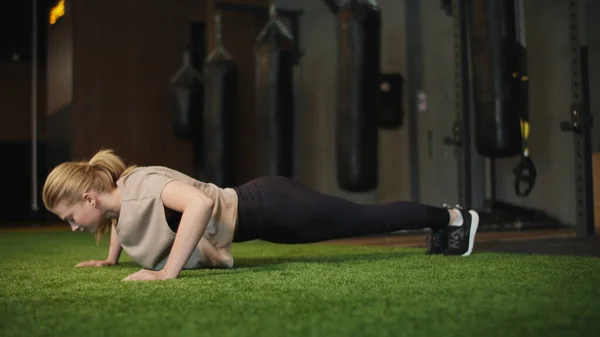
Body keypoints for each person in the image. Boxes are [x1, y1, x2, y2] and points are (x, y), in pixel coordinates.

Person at [42, 149, 480, 282]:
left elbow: (200, 204)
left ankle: (456, 219)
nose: (73, 226)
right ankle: (449, 222)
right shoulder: (122, 195)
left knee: (367, 219)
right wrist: (111, 259)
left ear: (88, 198)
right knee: (364, 218)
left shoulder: (140, 189)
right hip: (268, 214)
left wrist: (166, 274)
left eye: (69, 216)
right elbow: (127, 221)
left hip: (276, 207)